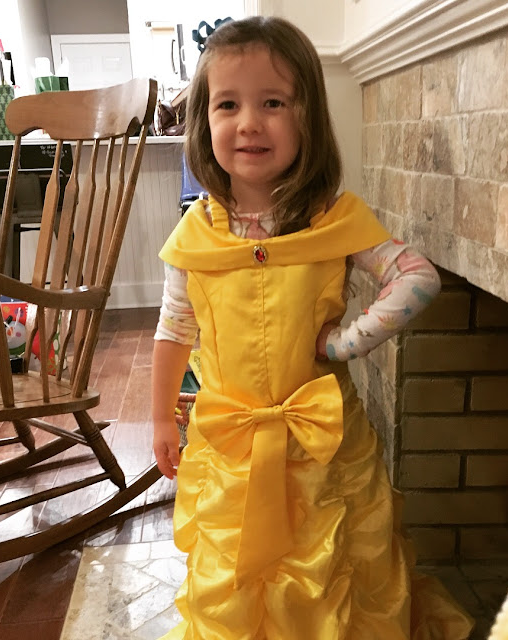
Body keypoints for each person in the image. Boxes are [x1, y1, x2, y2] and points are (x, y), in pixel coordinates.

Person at [152, 15, 474, 640]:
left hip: (324, 454)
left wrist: (347, 342)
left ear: (308, 119)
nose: (249, 122)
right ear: (203, 122)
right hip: (233, 453)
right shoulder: (195, 236)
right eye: (228, 104)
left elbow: (417, 277)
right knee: (236, 582)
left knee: (336, 572)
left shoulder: (333, 220)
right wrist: (163, 417)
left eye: (273, 102)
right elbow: (173, 327)